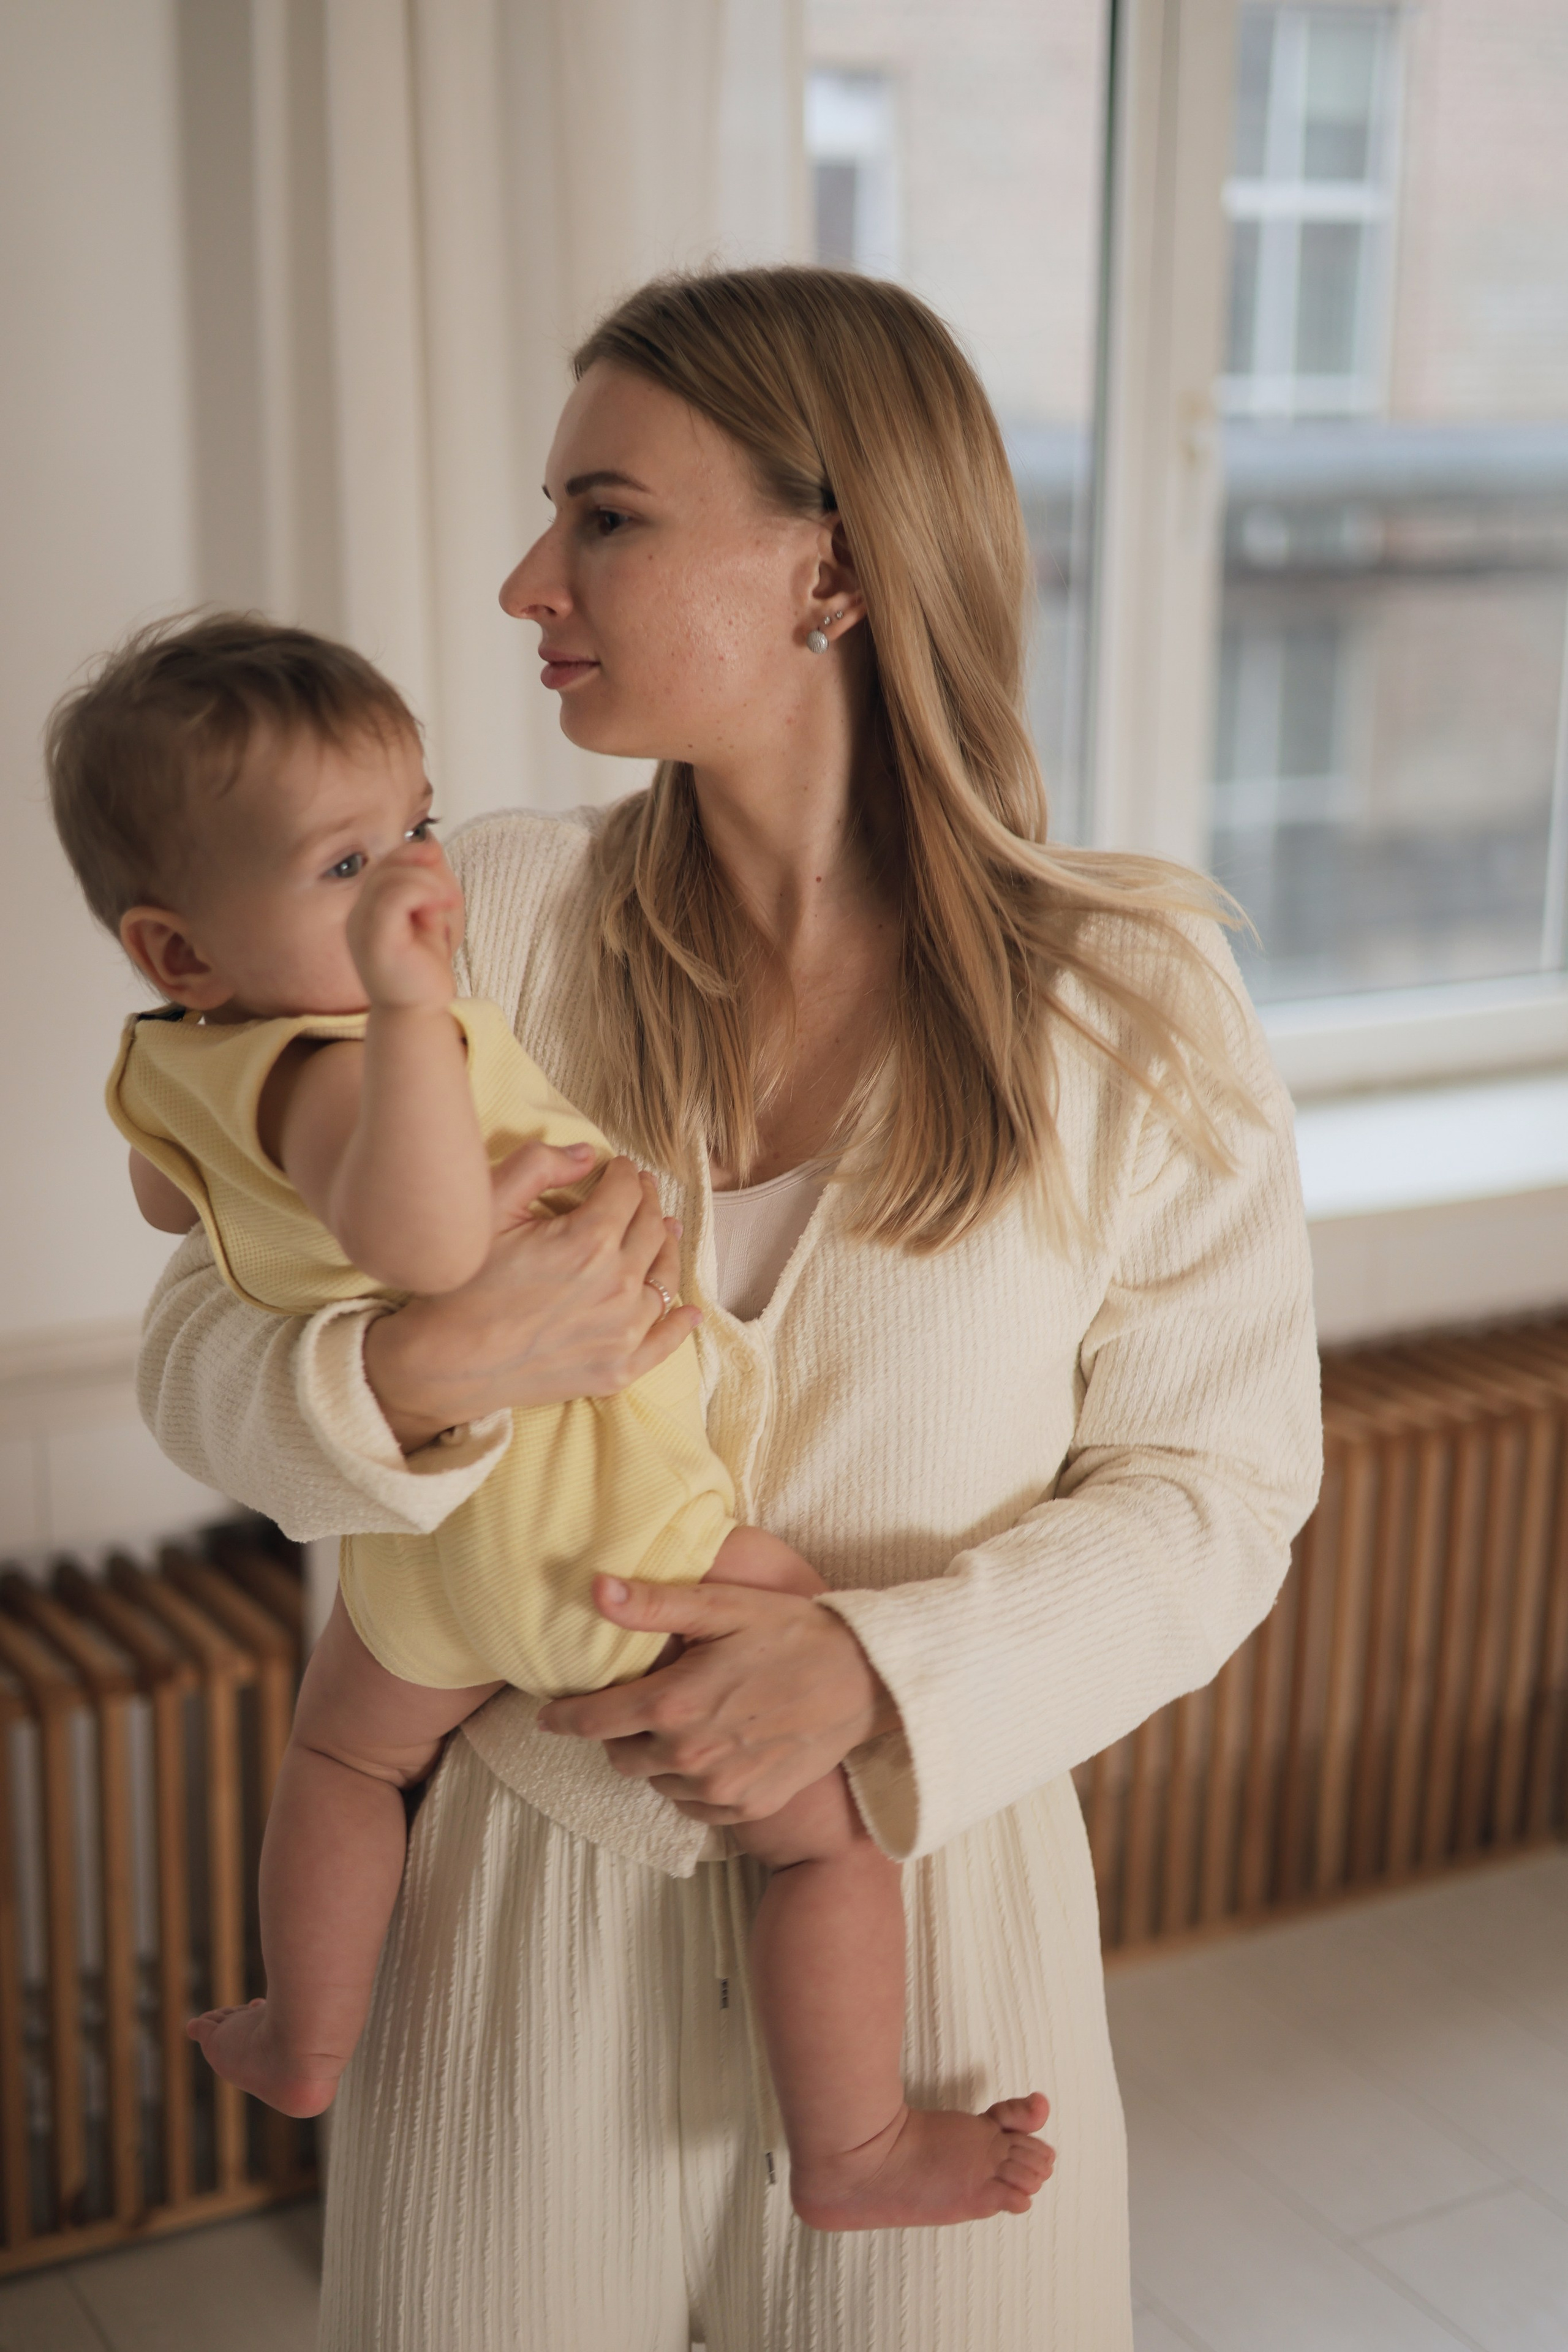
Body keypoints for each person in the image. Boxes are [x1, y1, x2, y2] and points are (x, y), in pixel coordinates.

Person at [132, 267, 1321, 2350]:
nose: (527, 580)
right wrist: (409, 1373)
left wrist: (878, 1672)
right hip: (507, 1932)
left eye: (606, 514)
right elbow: (197, 1337)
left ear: (832, 570)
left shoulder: (1134, 998)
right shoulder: (461, 915)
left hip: (935, 1940)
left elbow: (1221, 1494)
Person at [48, 613, 1052, 2230]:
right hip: (609, 1543)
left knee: (342, 1756)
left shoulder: (179, 1065)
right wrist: (403, 1025)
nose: (416, 887)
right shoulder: (365, 1061)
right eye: (345, 866)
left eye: (418, 825)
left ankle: (306, 2035)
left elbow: (183, 1205)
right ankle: (855, 2143)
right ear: (180, 947)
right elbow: (428, 1249)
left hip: (430, 1563)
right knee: (831, 1833)